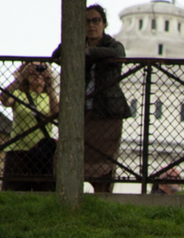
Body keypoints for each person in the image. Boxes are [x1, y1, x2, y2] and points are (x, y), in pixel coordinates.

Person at [51, 4, 127, 194]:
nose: (91, 25)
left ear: (104, 23)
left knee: (103, 162)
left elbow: (118, 55)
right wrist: (76, 45)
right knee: (69, 155)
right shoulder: (76, 43)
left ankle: (102, 198)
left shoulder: (112, 45)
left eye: (96, 20)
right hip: (80, 109)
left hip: (106, 112)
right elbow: (56, 55)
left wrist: (87, 53)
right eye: (86, 21)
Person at [0, 62, 58, 192]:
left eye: (41, 69)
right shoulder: (19, 94)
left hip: (43, 153)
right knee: (13, 194)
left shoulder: (50, 97)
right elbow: (3, 99)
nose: (37, 72)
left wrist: (51, 85)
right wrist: (20, 78)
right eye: (32, 69)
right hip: (19, 151)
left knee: (44, 195)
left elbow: (57, 114)